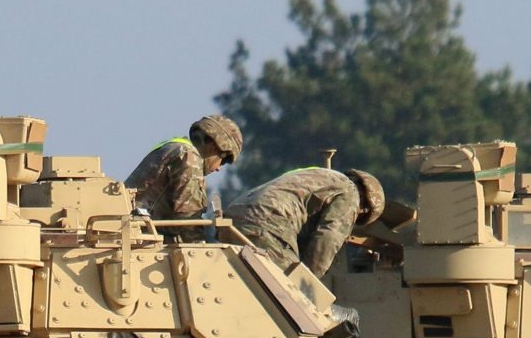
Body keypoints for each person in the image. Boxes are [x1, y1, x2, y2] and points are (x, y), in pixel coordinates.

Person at [226, 166, 385, 276]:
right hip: (267, 223)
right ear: (364, 209)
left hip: (232, 217)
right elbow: (328, 238)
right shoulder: (351, 193)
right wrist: (308, 281)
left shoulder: (322, 176)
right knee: (289, 296)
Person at [125, 115, 241, 220]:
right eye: (223, 161)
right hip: (136, 235)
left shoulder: (175, 148)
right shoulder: (189, 156)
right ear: (213, 148)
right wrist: (198, 242)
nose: (218, 168)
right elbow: (187, 220)